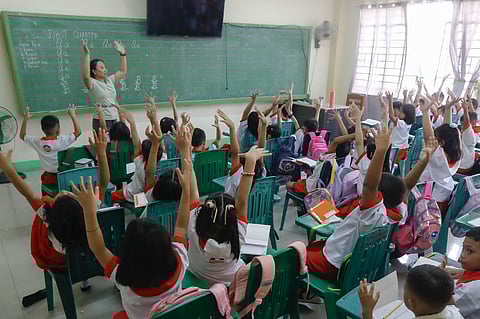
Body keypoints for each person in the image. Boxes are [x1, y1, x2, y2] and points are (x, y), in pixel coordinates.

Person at [70, 125, 192, 319]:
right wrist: (186, 191)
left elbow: (98, 247)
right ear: (166, 247)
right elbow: (181, 225)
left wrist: (89, 211)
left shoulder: (122, 279)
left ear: (127, 252)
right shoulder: (180, 262)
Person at [305, 125, 435, 280]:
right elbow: (406, 186)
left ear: (378, 196)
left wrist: (380, 151)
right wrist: (424, 161)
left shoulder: (373, 212)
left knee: (291, 254)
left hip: (334, 263)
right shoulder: (398, 212)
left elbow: (369, 185)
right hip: (355, 265)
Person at [0, 128, 109, 307]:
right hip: (88, 257)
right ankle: (85, 280)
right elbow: (104, 183)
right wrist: (101, 154)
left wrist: (6, 167)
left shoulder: (47, 216)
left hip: (60, 265)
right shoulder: (90, 214)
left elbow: (26, 192)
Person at [187, 145, 264, 286]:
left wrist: (185, 151)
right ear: (233, 218)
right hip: (229, 286)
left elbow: (192, 192)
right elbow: (242, 200)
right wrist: (251, 162)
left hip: (196, 279)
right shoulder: (238, 235)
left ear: (204, 213)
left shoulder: (193, 226)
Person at [359, 265, 463, 319]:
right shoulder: (454, 313)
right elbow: (451, 304)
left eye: (405, 288)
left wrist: (367, 311)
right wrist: (443, 280)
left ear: (411, 303)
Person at [20, 105, 81, 195]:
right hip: (63, 176)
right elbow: (78, 132)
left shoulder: (37, 142)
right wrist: (72, 114)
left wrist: (25, 119)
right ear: (58, 129)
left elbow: (22, 135)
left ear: (42, 129)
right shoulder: (62, 140)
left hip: (48, 178)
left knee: (47, 196)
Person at [419, 96, 462, 216]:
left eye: (436, 138)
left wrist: (426, 112)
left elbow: (428, 136)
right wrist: (448, 108)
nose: (434, 140)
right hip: (444, 194)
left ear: (441, 142)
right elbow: (448, 130)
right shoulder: (456, 152)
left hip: (429, 197)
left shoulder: (438, 156)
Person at [217, 109, 265, 198]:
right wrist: (264, 126)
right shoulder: (262, 172)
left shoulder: (237, 175)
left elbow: (235, 153)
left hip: (233, 208)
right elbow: (261, 147)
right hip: (251, 211)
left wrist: (232, 128)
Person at [81, 39, 127, 131]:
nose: (105, 69)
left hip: (114, 117)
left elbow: (122, 71)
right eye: (101, 68)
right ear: (94, 71)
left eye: (105, 67)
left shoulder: (109, 80)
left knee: (115, 143)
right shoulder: (92, 83)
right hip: (101, 119)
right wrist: (87, 54)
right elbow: (85, 76)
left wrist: (123, 54)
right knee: (104, 144)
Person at [442, 227, 480, 319]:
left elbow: (442, 310)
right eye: (463, 248)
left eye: (470, 251)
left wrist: (439, 279)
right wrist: (463, 273)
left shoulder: (470, 291)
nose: (462, 255)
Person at [386, 91, 415, 162]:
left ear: (406, 114)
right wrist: (405, 96)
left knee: (390, 163)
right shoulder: (408, 123)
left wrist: (390, 100)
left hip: (395, 148)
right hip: (403, 148)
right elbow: (404, 108)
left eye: (401, 112)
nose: (399, 112)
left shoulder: (401, 123)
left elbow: (391, 116)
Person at [458, 99, 478, 175]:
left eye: (462, 124)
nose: (462, 126)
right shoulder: (475, 130)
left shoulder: (469, 133)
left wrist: (465, 109)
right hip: (469, 163)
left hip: (463, 167)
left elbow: (467, 123)